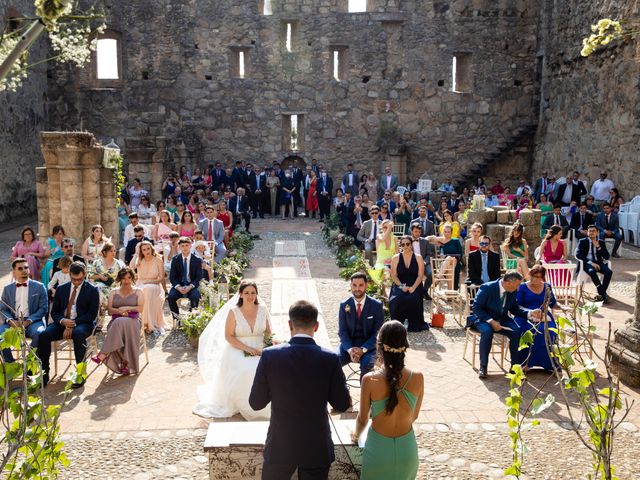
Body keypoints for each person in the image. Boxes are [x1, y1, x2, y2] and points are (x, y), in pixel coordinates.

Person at [249, 300, 351, 480]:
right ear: (316, 326)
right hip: (316, 445)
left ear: (290, 325)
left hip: (280, 444)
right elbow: (342, 404)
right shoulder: (330, 359)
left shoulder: (270, 356)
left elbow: (256, 403)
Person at [352, 320, 423, 480]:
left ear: (379, 347)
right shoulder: (418, 377)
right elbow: (414, 416)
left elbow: (363, 420)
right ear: (405, 346)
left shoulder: (369, 380)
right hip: (407, 451)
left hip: (378, 451)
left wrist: (356, 435)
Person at [194, 281, 273, 419]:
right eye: (247, 293)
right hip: (238, 347)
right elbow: (228, 336)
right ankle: (244, 404)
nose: (250, 296)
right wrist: (247, 348)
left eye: (253, 293)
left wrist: (268, 345)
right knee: (247, 370)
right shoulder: (234, 312)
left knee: (269, 368)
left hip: (260, 348)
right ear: (241, 294)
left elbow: (268, 332)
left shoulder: (263, 310)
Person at [466, 272, 541, 379]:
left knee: (516, 330)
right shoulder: (487, 287)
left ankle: (514, 367)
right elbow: (476, 308)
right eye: (517, 285)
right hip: (483, 319)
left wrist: (530, 313)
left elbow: (514, 309)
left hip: (502, 319)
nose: (519, 288)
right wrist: (491, 321)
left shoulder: (512, 290)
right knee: (487, 332)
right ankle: (483, 367)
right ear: (508, 282)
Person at [37, 262, 100, 387]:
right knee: (44, 335)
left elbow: (91, 315)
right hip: (62, 322)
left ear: (85, 274)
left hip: (83, 323)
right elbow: (54, 312)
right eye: (73, 279)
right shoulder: (61, 289)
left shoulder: (92, 290)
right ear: (69, 275)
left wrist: (72, 324)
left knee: (78, 333)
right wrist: (63, 321)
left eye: (80, 279)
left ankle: (80, 374)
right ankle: (44, 373)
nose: (76, 282)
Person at [91, 267, 144, 375]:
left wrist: (127, 308)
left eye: (129, 278)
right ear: (119, 279)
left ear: (132, 278)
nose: (126, 281)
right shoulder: (113, 292)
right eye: (123, 278)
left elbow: (140, 308)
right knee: (118, 323)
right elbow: (109, 310)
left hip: (133, 321)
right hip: (116, 322)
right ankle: (126, 364)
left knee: (118, 323)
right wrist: (120, 312)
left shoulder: (139, 291)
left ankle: (104, 353)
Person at [514, 265, 564, 371]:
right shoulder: (523, 287)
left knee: (550, 332)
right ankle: (525, 363)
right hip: (525, 315)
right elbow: (517, 306)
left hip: (543, 316)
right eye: (533, 276)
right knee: (529, 331)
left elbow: (553, 303)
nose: (534, 279)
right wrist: (530, 312)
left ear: (542, 277)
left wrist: (562, 307)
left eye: (538, 277)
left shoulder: (547, 287)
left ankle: (550, 364)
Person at [0, 259, 48, 363]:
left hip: (33, 321)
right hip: (13, 322)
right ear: (14, 272)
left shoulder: (39, 287)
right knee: (0, 335)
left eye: (26, 267)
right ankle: (10, 364)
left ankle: (30, 363)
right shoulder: (7, 289)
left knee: (40, 333)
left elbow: (44, 308)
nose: (24, 270)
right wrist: (10, 320)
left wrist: (29, 320)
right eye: (20, 268)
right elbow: (3, 309)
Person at [338, 273, 384, 379]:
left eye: (361, 285)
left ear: (366, 285)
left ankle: (365, 393)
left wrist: (363, 350)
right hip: (349, 346)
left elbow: (378, 333)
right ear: (350, 285)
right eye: (354, 285)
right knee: (334, 360)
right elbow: (342, 331)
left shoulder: (376, 306)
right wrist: (350, 350)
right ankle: (341, 391)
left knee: (367, 364)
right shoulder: (344, 305)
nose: (357, 288)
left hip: (369, 347)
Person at [390, 235, 428, 332]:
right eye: (403, 244)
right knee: (398, 298)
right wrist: (402, 287)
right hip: (400, 283)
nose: (405, 246)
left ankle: (414, 324)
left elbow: (420, 275)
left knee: (413, 297)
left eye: (407, 244)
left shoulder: (418, 258)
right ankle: (397, 324)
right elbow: (393, 275)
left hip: (415, 283)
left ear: (411, 245)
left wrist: (414, 287)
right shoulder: (396, 258)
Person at [135, 241, 167, 335]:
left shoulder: (158, 260)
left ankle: (149, 324)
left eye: (148, 248)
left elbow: (161, 278)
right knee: (142, 290)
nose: (146, 251)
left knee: (147, 289)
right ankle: (142, 323)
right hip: (140, 283)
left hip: (155, 284)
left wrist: (149, 282)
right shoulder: (140, 260)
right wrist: (136, 254)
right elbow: (131, 266)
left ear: (151, 249)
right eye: (144, 250)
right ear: (141, 251)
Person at [167, 237, 203, 318]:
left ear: (190, 246)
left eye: (187, 245)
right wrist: (178, 287)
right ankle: (176, 318)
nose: (185, 248)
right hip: (179, 285)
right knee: (171, 297)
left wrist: (190, 287)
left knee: (195, 296)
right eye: (182, 246)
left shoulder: (197, 259)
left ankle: (192, 318)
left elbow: (199, 276)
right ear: (179, 247)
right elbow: (172, 277)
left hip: (191, 285)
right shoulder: (175, 259)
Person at [576, 225, 613, 302]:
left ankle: (601, 293)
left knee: (609, 272)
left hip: (599, 262)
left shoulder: (601, 242)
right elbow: (578, 255)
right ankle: (603, 294)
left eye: (593, 231)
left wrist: (598, 247)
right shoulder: (582, 241)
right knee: (592, 272)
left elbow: (606, 256)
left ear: (597, 232)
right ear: (587, 233)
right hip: (587, 263)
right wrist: (591, 263)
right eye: (590, 231)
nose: (591, 232)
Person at [428, 224, 463, 290]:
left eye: (448, 232)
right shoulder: (441, 241)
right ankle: (451, 294)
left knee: (449, 258)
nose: (446, 233)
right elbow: (427, 240)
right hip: (444, 264)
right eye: (445, 231)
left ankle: (438, 278)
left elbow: (460, 254)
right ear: (443, 232)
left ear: (451, 233)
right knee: (449, 268)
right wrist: (434, 237)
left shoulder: (455, 241)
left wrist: (448, 256)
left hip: (456, 262)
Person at [409, 222, 435, 299]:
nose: (417, 233)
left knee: (431, 274)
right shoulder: (408, 241)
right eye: (416, 231)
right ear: (411, 231)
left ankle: (424, 290)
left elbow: (430, 254)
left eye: (419, 232)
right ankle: (413, 291)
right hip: (412, 263)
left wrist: (424, 262)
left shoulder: (425, 241)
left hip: (424, 263)